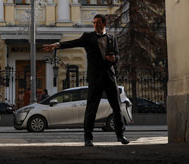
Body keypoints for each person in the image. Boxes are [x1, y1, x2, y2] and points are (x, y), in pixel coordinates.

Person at [43, 14, 129, 146]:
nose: (95, 25)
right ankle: (88, 138)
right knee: (91, 109)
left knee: (117, 108)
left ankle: (120, 135)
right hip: (95, 78)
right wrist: (58, 45)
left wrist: (114, 59)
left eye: (98, 23)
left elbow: (117, 56)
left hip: (110, 78)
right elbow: (74, 43)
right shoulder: (88, 37)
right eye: (94, 23)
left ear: (104, 23)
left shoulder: (112, 38)